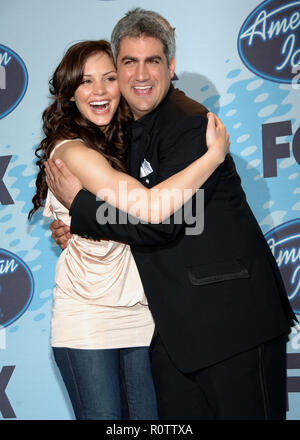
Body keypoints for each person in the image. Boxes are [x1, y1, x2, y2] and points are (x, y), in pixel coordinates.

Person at [46, 9, 296, 420]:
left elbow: (165, 221)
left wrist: (83, 213)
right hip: (175, 330)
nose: (140, 74)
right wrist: (79, 228)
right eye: (128, 62)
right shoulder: (126, 132)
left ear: (171, 67)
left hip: (230, 323)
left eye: (153, 61)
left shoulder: (188, 123)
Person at [29, 39, 229, 421]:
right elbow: (152, 209)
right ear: (70, 93)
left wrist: (81, 226)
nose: (100, 90)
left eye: (109, 78)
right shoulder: (73, 152)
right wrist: (212, 157)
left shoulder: (121, 147)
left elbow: (157, 221)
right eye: (86, 82)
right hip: (89, 317)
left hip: (140, 317)